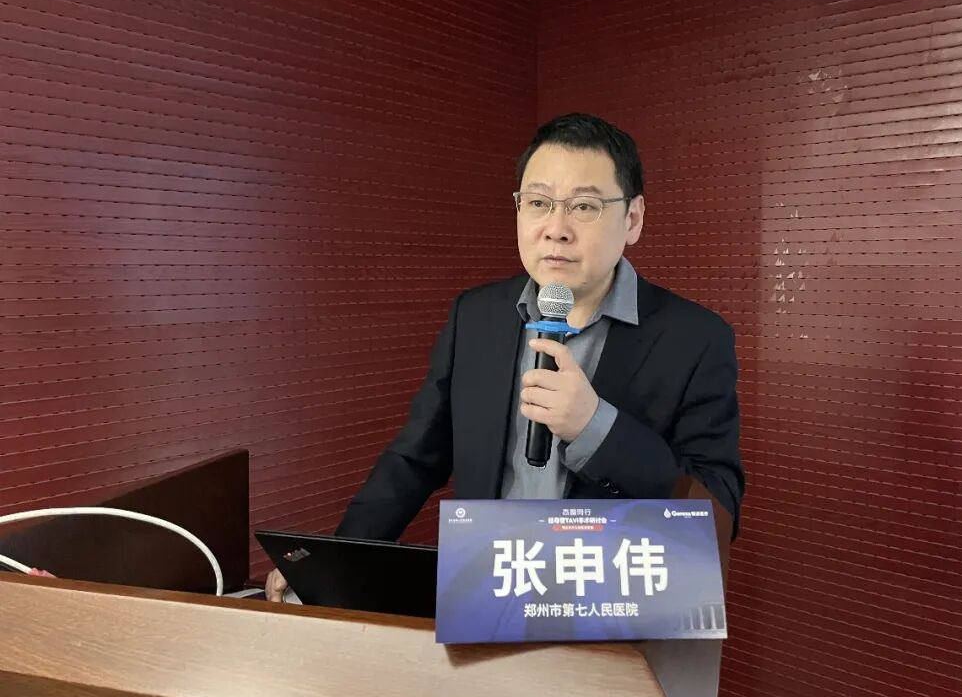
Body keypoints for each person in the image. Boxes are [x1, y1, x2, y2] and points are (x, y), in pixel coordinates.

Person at [267, 113, 744, 601]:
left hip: (614, 604)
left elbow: (717, 513)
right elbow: (415, 458)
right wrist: (335, 564)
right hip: (491, 593)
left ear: (633, 219)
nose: (556, 229)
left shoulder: (695, 338)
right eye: (538, 203)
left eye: (584, 206)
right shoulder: (476, 317)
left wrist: (595, 427)